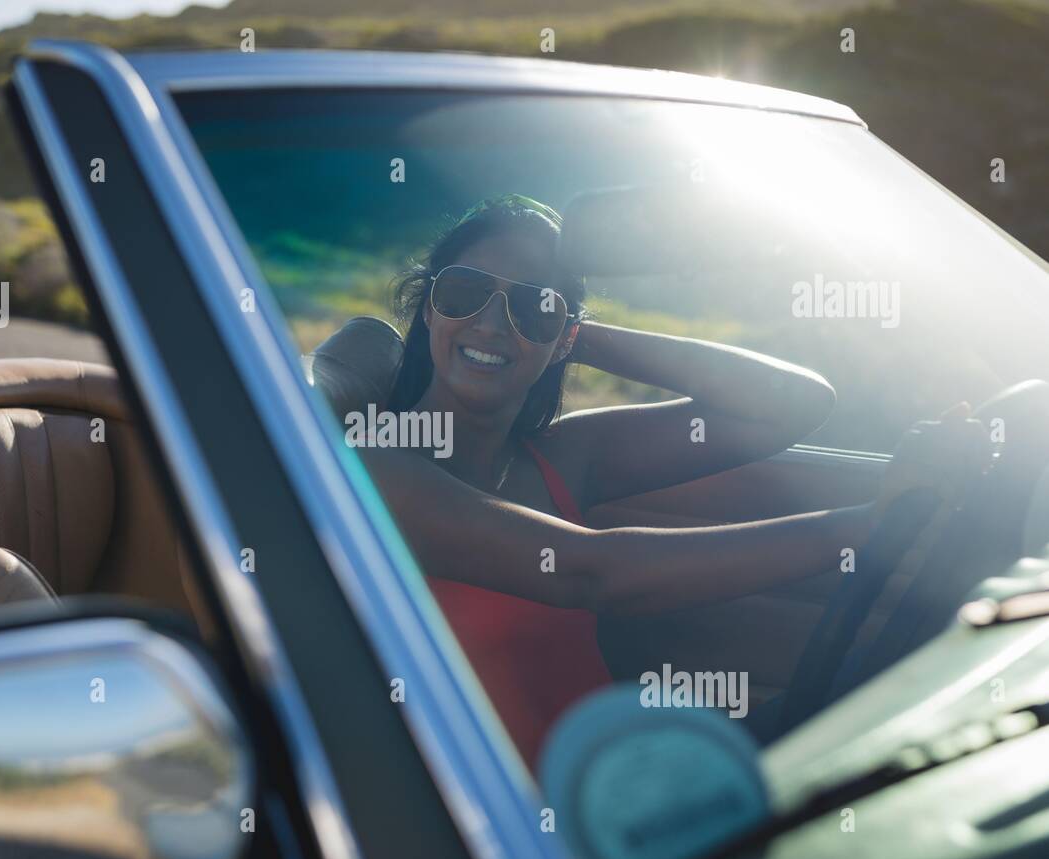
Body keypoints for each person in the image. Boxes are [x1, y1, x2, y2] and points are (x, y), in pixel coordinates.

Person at [360, 194, 988, 766]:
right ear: (428, 308)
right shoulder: (378, 469)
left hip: (621, 800)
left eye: (531, 305)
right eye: (466, 293)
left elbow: (793, 403)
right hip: (495, 830)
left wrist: (565, 335)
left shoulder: (562, 455)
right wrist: (864, 527)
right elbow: (593, 571)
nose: (492, 325)